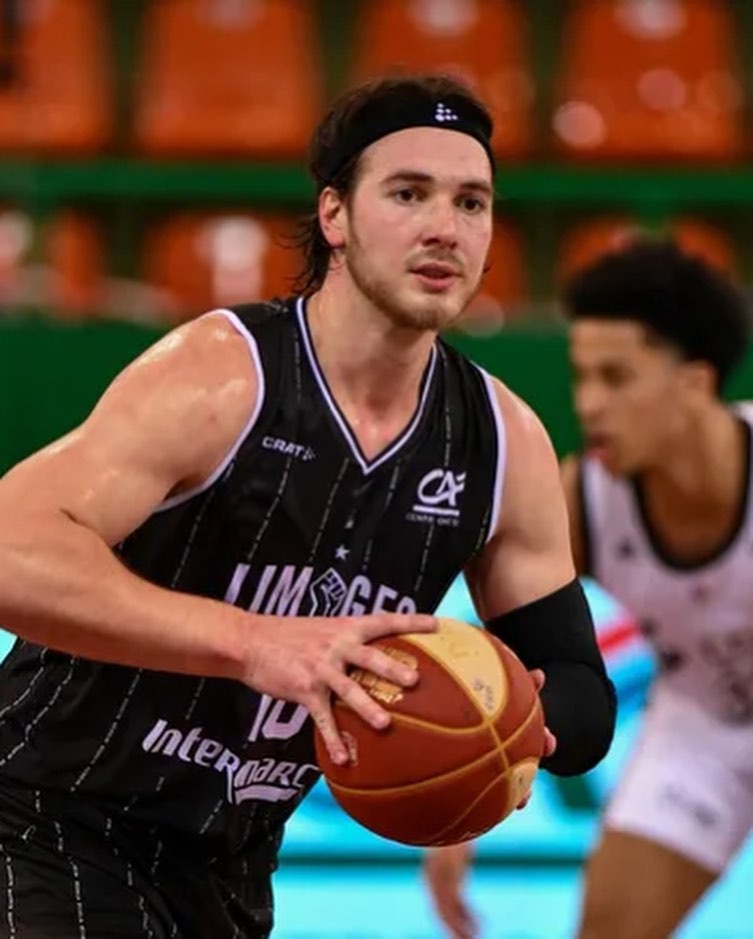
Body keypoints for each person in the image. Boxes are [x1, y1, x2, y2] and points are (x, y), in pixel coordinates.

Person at [0, 75, 614, 939]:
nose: (445, 227)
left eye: (471, 202)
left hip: (232, 863)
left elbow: (580, 690)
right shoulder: (223, 373)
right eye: (408, 193)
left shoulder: (502, 440)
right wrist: (256, 643)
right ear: (335, 215)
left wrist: (508, 728)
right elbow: (11, 549)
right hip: (45, 818)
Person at [423, 239, 753, 939]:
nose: (589, 403)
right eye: (581, 377)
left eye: (616, 378)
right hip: (703, 726)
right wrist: (461, 797)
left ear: (694, 383)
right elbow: (497, 651)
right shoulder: (584, 497)